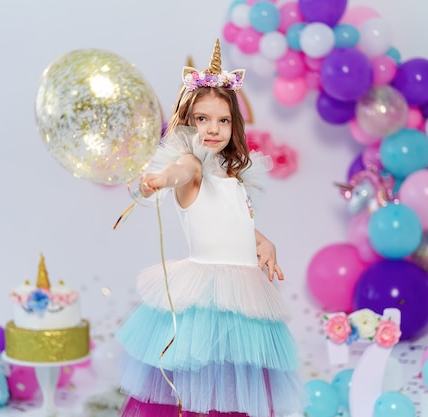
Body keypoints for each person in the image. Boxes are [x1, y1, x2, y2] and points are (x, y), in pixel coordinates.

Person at [115, 39, 306, 417]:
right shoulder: (192, 166)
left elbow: (231, 221)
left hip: (243, 295)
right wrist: (162, 178)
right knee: (199, 380)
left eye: (223, 120)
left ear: (234, 123)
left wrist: (261, 241)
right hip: (206, 295)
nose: (213, 129)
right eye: (203, 119)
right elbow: (181, 170)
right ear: (188, 122)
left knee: (235, 384)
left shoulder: (230, 175)